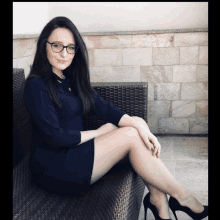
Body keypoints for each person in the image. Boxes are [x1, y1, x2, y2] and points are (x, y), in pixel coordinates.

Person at [23, 16, 208, 220]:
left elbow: (104, 107)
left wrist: (143, 130)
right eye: (57, 46)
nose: (64, 54)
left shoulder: (71, 79)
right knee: (130, 134)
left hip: (76, 152)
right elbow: (55, 137)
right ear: (44, 46)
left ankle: (159, 204)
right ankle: (183, 197)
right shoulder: (36, 86)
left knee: (137, 123)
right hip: (55, 167)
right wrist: (100, 132)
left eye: (70, 47)